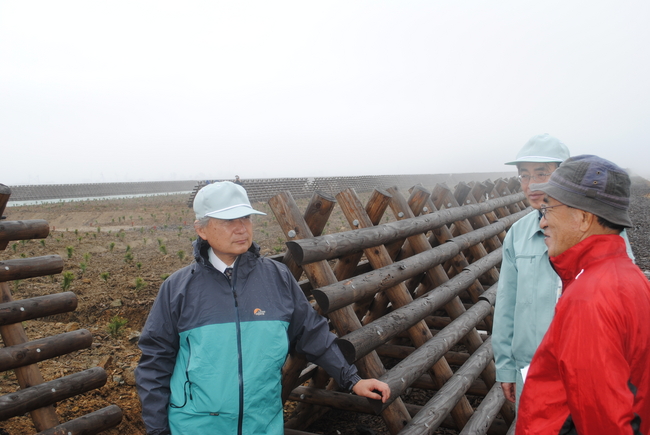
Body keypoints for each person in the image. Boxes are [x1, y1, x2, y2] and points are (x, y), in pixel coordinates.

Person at [135, 181, 390, 435]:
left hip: (262, 424)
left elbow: (312, 334)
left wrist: (352, 379)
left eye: (245, 218)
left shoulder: (277, 278)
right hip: (196, 426)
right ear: (201, 230)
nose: (241, 229)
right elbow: (155, 363)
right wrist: (158, 430)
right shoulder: (178, 288)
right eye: (228, 221)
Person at [492, 134, 633, 408]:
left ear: (563, 175)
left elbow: (622, 298)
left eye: (542, 173)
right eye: (524, 175)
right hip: (530, 367)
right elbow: (507, 304)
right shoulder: (517, 234)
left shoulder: (594, 226)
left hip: (590, 368)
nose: (531, 184)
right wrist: (506, 367)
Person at [516, 155, 650, 434]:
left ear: (584, 218)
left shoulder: (589, 299)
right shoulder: (631, 278)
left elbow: (604, 420)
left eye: (549, 209)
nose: (542, 223)